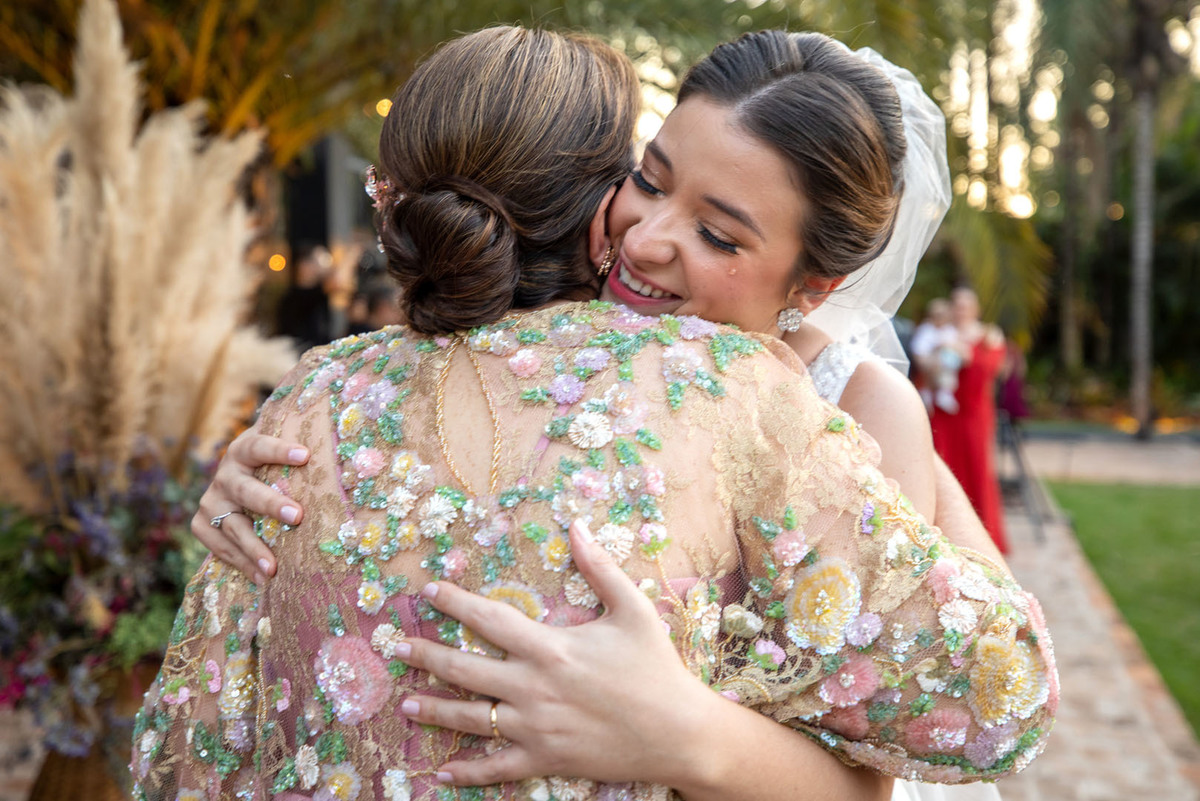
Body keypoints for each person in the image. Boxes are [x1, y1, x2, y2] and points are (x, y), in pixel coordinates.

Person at [161, 29, 1055, 801]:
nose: (644, 238)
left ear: (814, 287)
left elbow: (878, 771)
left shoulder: (847, 405)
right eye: (648, 178)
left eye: (718, 234)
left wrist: (677, 729)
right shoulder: (558, 342)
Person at [931, 287, 1009, 553]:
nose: (961, 310)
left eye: (966, 305)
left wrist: (969, 356)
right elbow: (925, 369)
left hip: (974, 412)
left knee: (977, 467)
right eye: (957, 305)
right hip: (945, 413)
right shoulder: (940, 333)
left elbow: (994, 369)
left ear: (975, 309)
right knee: (945, 465)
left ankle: (984, 536)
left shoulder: (988, 335)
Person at [911, 298, 967, 415]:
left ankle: (944, 393)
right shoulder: (926, 330)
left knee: (948, 375)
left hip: (947, 363)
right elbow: (919, 350)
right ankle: (927, 394)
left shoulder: (949, 330)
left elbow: (958, 348)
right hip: (930, 363)